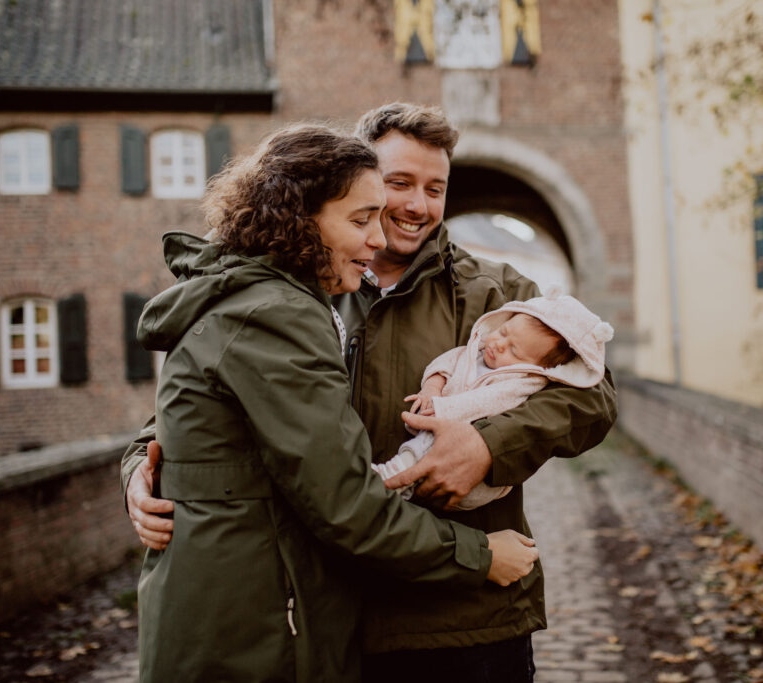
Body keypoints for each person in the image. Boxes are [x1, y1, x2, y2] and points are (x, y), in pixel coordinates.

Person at [123, 103, 617, 682]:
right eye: (398, 184)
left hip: (462, 620)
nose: (416, 206)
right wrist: (143, 465)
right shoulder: (300, 283)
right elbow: (213, 399)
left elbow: (595, 392)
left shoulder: (499, 296)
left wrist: (490, 447)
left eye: (436, 188)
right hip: (329, 614)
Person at [372, 294, 614, 510]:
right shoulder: (474, 354)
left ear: (535, 367)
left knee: (436, 440)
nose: (498, 344)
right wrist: (432, 388)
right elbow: (445, 363)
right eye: (504, 331)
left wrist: (444, 411)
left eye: (514, 351)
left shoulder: (522, 383)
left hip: (477, 481)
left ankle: (392, 475)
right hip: (447, 457)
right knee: (432, 444)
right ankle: (404, 485)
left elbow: (483, 402)